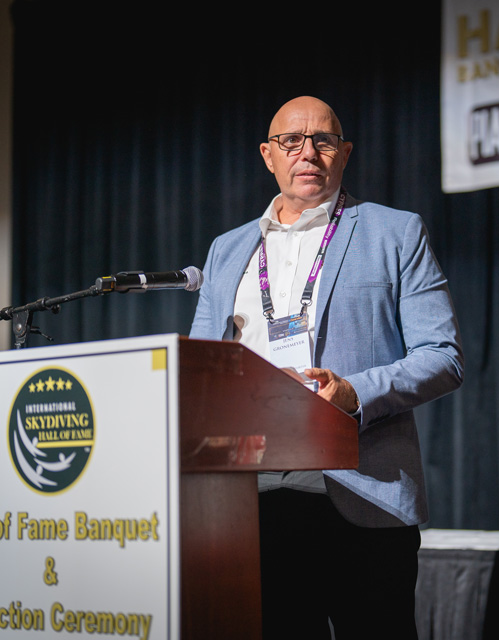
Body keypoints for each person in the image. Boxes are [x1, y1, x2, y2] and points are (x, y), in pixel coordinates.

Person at [189, 96, 463, 639]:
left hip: (363, 491)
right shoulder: (227, 250)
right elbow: (201, 368)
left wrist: (353, 393)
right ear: (268, 155)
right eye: (291, 141)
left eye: (324, 140)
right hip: (252, 498)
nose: (307, 152)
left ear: (345, 152)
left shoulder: (395, 232)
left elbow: (443, 357)